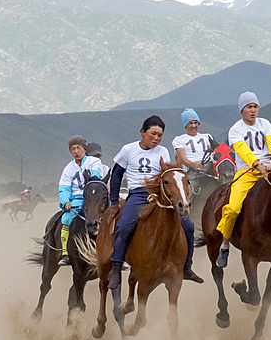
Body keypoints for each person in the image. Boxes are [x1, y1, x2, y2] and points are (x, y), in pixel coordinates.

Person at [106, 116, 202, 289]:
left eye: (159, 135)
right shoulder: (128, 150)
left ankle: (187, 267)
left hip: (160, 194)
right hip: (138, 194)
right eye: (153, 134)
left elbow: (167, 175)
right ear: (143, 132)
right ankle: (116, 268)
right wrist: (114, 202)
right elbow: (117, 176)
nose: (156, 138)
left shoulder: (162, 152)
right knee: (124, 226)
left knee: (188, 226)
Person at [216, 92, 271, 269]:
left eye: (255, 107)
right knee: (233, 208)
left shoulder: (265, 124)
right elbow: (243, 151)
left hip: (270, 171)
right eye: (249, 107)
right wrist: (257, 165)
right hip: (247, 173)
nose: (253, 110)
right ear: (242, 109)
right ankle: (225, 245)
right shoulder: (236, 129)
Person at [57, 136, 103, 265]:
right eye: (73, 149)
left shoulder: (94, 162)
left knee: (112, 215)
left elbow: (96, 174)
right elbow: (64, 187)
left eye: (78, 148)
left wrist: (94, 177)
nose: (76, 151)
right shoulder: (68, 168)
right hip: (77, 200)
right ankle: (65, 253)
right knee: (65, 219)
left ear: (84, 149)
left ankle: (116, 252)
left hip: (94, 197)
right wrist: (65, 201)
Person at [172, 108, 216, 193]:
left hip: (210, 169)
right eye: (190, 123)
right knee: (189, 193)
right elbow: (183, 159)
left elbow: (212, 152)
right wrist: (195, 165)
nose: (193, 126)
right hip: (193, 172)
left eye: (195, 123)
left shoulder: (207, 137)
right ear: (185, 125)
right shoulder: (179, 140)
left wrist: (208, 163)